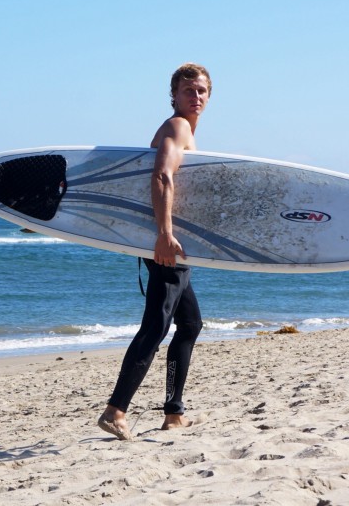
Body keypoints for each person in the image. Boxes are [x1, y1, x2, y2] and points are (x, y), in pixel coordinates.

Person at [97, 62, 211, 441]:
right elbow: (161, 175)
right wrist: (164, 234)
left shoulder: (185, 131)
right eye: (189, 90)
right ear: (174, 95)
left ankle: (174, 413)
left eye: (202, 91)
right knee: (157, 325)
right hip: (166, 242)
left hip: (170, 241)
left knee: (190, 324)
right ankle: (116, 410)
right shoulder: (177, 127)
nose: (196, 97)